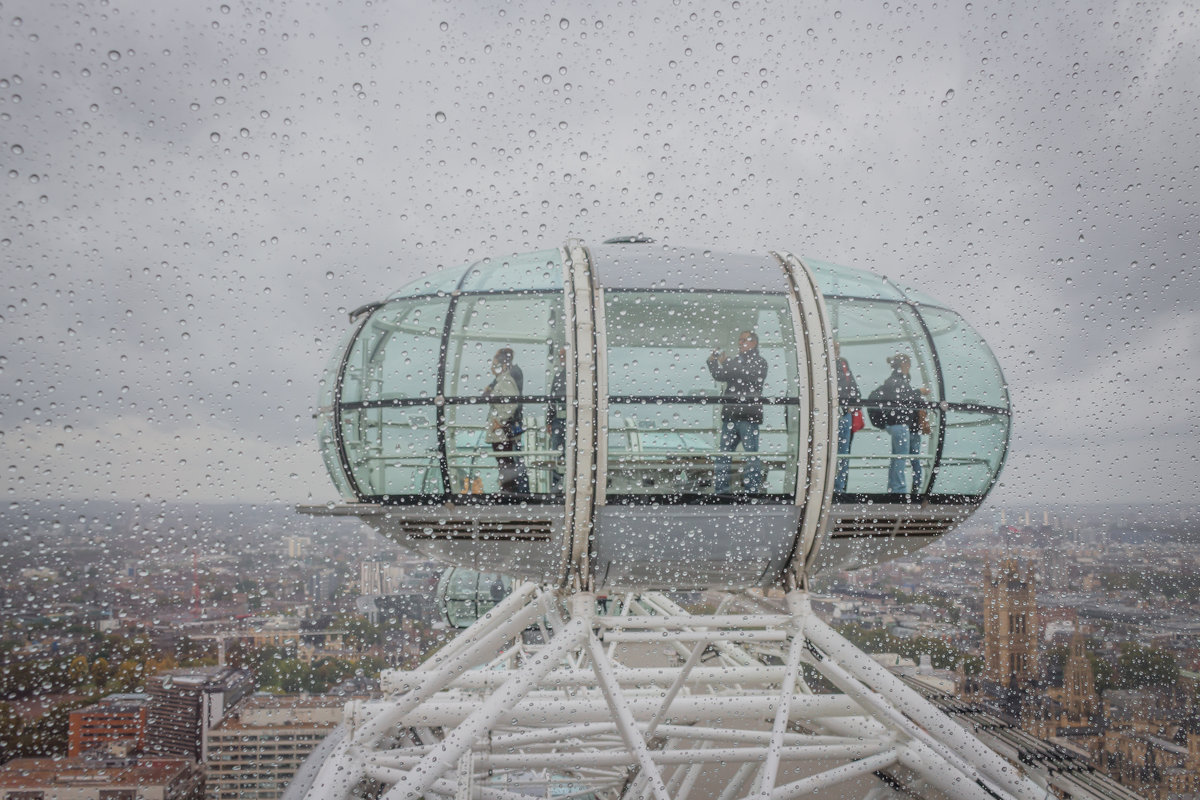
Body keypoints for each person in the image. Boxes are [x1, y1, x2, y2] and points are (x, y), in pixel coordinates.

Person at [707, 330, 768, 494]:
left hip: (749, 416)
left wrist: (726, 362)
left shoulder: (760, 362)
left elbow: (748, 375)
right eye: (740, 340)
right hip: (731, 416)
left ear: (754, 342)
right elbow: (720, 375)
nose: (741, 343)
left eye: (745, 340)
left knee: (750, 455)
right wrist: (712, 362)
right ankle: (721, 490)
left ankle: (752, 489)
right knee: (724, 455)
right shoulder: (735, 362)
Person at [879, 353, 930, 495]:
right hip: (901, 424)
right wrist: (918, 392)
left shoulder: (898, 380)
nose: (910, 367)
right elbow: (903, 398)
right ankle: (898, 491)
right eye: (908, 364)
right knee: (900, 458)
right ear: (904, 365)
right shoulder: (896, 381)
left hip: (908, 425)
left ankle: (908, 488)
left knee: (903, 458)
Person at [483, 347, 529, 494]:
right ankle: (509, 489)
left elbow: (512, 403)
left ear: (503, 365)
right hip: (501, 430)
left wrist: (501, 421)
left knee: (505, 461)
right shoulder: (500, 380)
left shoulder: (507, 379)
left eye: (495, 364)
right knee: (504, 461)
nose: (492, 367)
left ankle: (509, 491)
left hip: (502, 431)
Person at [834, 341, 860, 493]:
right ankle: (835, 487)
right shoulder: (819, 364)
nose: (836, 350)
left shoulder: (843, 364)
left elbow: (854, 389)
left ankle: (839, 488)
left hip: (843, 414)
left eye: (837, 348)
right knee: (839, 453)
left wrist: (851, 405)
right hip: (833, 415)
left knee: (843, 453)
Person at [546, 347, 567, 492]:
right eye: (560, 356)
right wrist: (549, 420)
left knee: (569, 453)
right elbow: (552, 400)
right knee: (557, 455)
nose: (561, 359)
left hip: (572, 421)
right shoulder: (559, 376)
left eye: (564, 356)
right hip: (558, 420)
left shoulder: (578, 376)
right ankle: (557, 489)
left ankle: (566, 486)